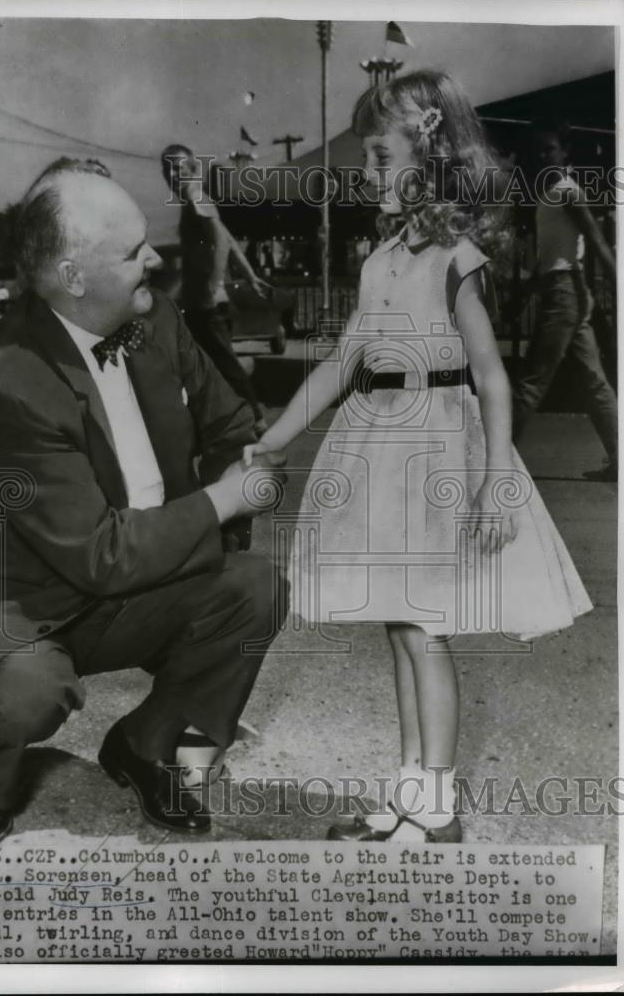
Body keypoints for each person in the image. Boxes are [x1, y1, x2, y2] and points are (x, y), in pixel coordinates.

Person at [245, 71, 592, 843]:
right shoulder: (379, 259)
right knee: (399, 626)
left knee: (424, 627)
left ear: (428, 158)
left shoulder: (455, 257)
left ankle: (436, 807)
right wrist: (275, 436)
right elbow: (342, 361)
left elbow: (493, 375)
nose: (366, 172)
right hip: (376, 439)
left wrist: (498, 479)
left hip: (437, 442)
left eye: (378, 155)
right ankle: (408, 795)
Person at [0, 157, 288, 844]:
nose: (154, 257)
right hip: (15, 606)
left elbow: (230, 424)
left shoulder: (155, 318)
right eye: (131, 251)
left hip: (124, 575)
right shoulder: (8, 377)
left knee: (254, 589)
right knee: (29, 688)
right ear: (73, 279)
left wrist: (244, 480)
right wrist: (220, 503)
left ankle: (146, 745)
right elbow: (98, 554)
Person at [510, 121, 618, 482]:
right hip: (565, 291)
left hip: (565, 294)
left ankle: (494, 458)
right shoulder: (551, 193)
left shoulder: (569, 192)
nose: (543, 156)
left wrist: (621, 285)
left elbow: (597, 241)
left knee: (531, 381)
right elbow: (550, 259)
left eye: (550, 149)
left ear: (565, 152)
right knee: (593, 381)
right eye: (539, 150)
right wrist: (523, 296)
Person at [161, 144, 269, 435]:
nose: (172, 173)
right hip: (199, 302)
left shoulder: (196, 198)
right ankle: (227, 421)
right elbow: (230, 239)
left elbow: (221, 242)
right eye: (167, 168)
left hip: (205, 304)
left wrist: (213, 285)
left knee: (220, 364)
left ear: (192, 168)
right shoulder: (195, 200)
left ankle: (256, 420)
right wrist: (250, 275)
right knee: (207, 363)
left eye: (178, 167)